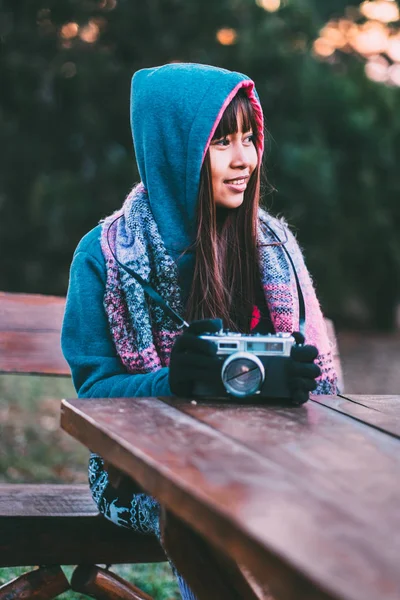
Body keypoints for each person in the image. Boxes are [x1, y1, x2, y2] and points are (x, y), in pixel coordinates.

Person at [62, 62, 337, 599]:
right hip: (141, 472)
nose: (245, 160)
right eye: (222, 143)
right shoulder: (106, 257)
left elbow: (320, 386)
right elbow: (93, 397)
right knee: (207, 503)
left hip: (266, 456)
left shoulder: (274, 249)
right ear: (175, 149)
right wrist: (172, 382)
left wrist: (298, 383)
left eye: (250, 137)